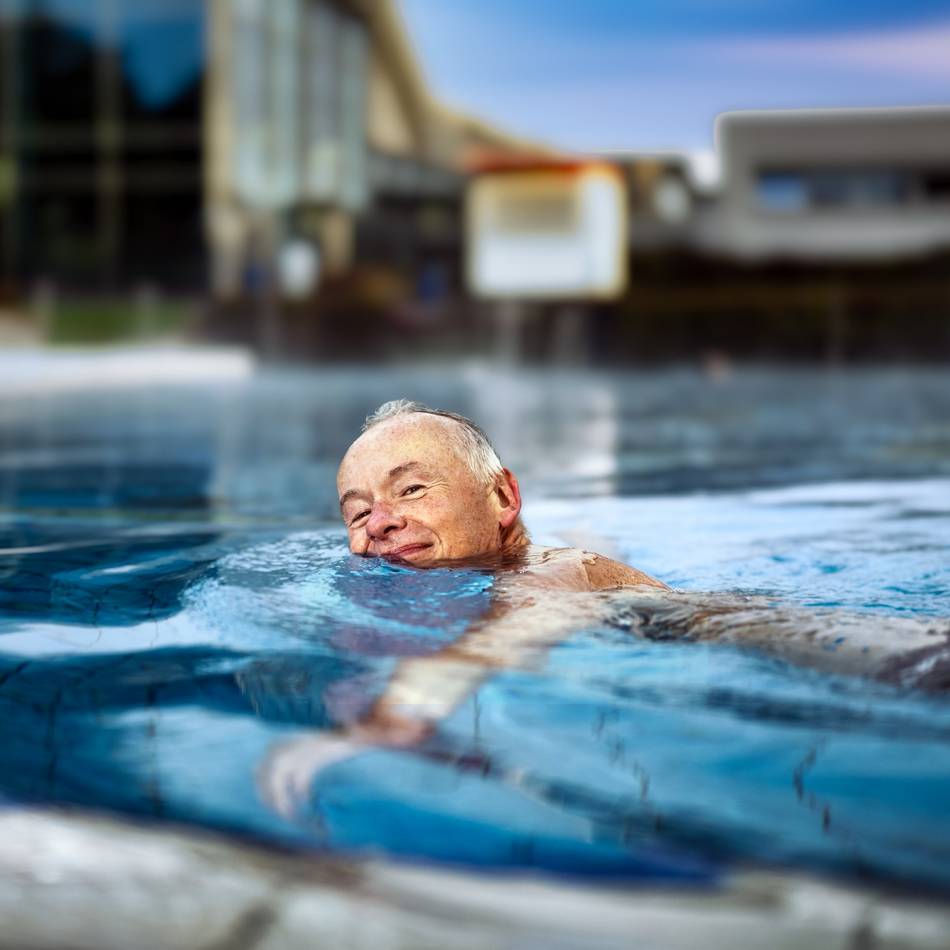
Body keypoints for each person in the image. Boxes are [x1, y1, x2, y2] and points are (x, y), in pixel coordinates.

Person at [260, 400, 949, 817]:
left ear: (503, 499)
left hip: (888, 657)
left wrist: (393, 719)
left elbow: (520, 627)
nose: (378, 522)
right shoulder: (561, 561)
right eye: (358, 512)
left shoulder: (555, 573)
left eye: (410, 491)